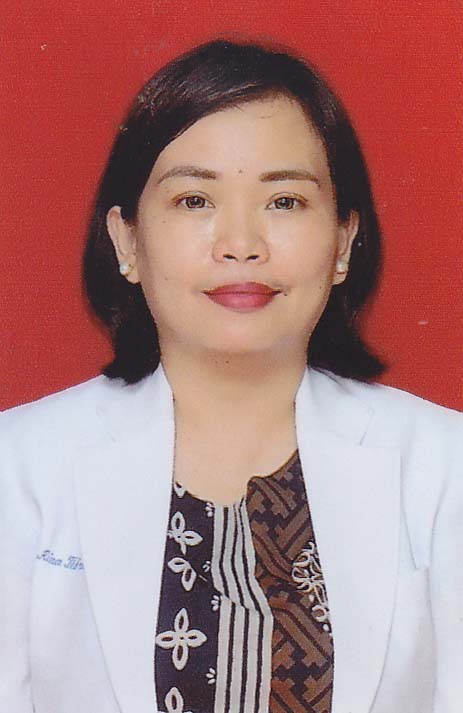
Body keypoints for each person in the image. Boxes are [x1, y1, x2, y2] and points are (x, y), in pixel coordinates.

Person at [0, 39, 462, 713]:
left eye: (285, 201)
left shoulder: (444, 465)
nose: (240, 244)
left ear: (342, 241)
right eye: (194, 200)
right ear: (127, 242)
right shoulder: (18, 467)